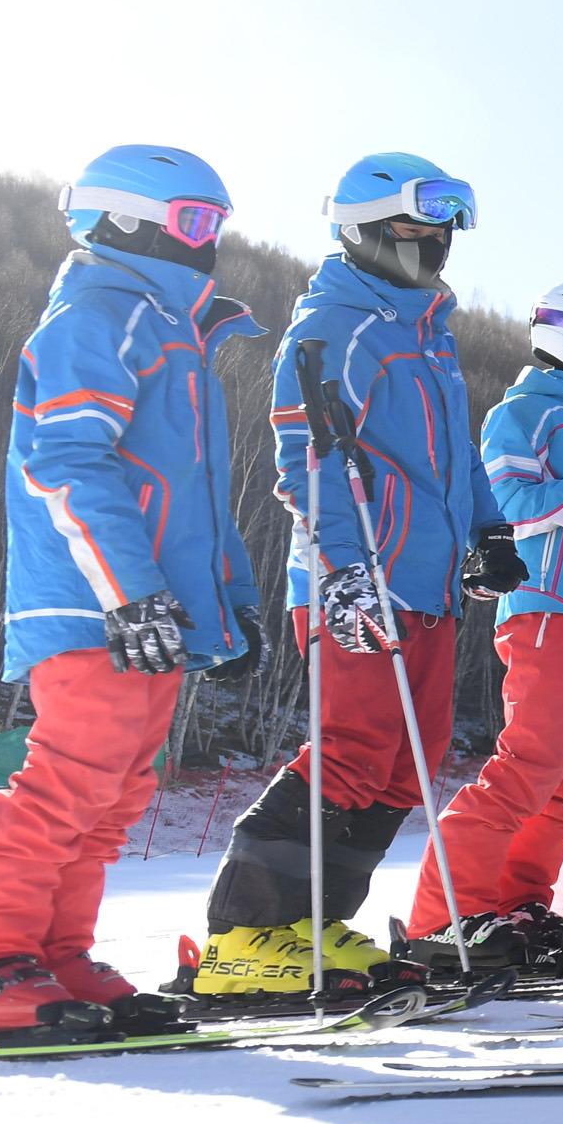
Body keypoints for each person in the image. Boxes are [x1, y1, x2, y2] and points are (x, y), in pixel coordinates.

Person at [0, 147, 261, 1033]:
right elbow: (65, 458)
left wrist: (232, 605)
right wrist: (127, 593)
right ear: (124, 219)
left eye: (217, 223)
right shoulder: (98, 313)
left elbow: (200, 501)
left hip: (154, 611)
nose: (208, 242)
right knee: (69, 784)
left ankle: (54, 954)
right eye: (193, 221)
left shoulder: (176, 336)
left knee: (115, 798)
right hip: (94, 603)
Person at [189, 153, 510, 996]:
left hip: (427, 584)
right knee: (354, 753)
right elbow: (307, 460)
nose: (436, 240)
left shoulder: (427, 335)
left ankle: (313, 923)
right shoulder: (337, 325)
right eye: (417, 222)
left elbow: (459, 456)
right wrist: (341, 568)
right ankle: (246, 933)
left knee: (409, 763)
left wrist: (490, 528)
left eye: (445, 224)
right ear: (364, 227)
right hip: (358, 574)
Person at [397, 277, 563, 968]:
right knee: (528, 768)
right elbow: (514, 505)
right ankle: (444, 915)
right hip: (553, 609)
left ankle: (519, 901)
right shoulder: (525, 412)